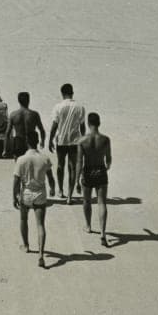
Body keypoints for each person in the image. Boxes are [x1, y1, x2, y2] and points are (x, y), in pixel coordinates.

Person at [12, 130, 54, 269]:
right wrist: (53, 188)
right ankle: (41, 254)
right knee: (40, 225)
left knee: (24, 219)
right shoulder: (45, 158)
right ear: (37, 141)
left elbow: (16, 181)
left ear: (26, 142)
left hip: (26, 194)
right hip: (40, 194)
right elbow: (51, 178)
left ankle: (26, 245)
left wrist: (14, 196)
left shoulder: (21, 159)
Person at [77, 112, 112, 248]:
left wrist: (76, 181)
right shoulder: (105, 139)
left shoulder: (82, 141)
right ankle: (102, 233)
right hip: (101, 171)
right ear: (99, 123)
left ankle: (88, 225)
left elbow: (79, 162)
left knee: (86, 201)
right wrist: (105, 168)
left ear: (88, 124)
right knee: (102, 202)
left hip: (88, 171)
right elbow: (108, 159)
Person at [48, 83, 86, 203]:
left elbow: (54, 125)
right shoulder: (80, 107)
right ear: (72, 93)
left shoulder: (58, 107)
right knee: (72, 167)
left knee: (60, 165)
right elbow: (82, 126)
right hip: (75, 141)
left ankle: (60, 190)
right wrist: (83, 139)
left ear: (62, 94)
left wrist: (50, 139)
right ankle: (70, 195)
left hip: (61, 140)